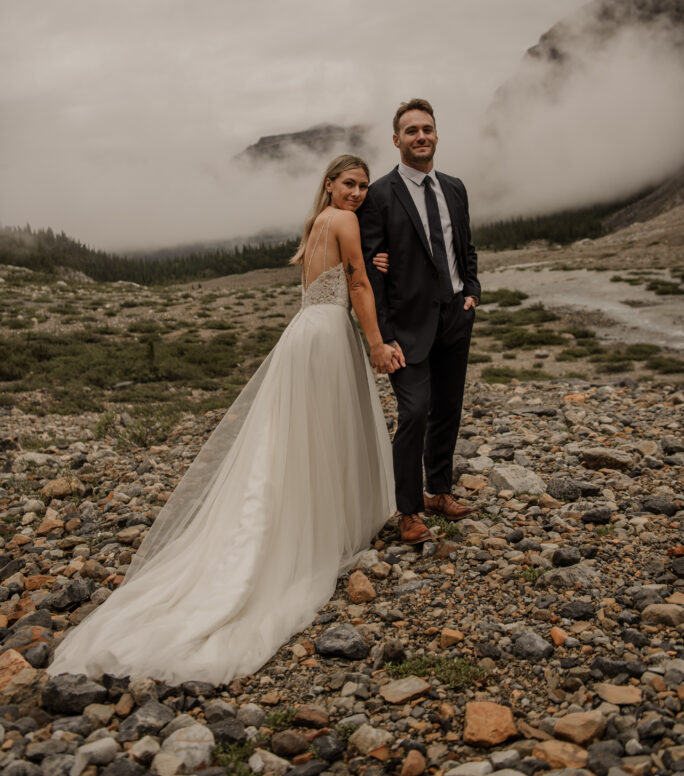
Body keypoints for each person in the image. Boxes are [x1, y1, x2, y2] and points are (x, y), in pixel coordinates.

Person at [49, 155, 401, 684]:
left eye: (363, 187)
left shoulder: (315, 224)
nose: (357, 193)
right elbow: (355, 287)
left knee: (299, 435)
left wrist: (368, 264)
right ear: (329, 185)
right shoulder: (344, 220)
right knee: (325, 430)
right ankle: (320, 531)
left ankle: (311, 520)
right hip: (329, 333)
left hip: (306, 330)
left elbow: (342, 274)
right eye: (349, 184)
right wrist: (375, 342)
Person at [358, 100, 481, 545]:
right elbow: (371, 270)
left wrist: (472, 292)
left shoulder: (455, 187)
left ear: (436, 134)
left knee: (448, 409)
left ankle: (439, 491)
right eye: (411, 131)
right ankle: (408, 511)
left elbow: (465, 246)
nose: (421, 136)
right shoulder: (380, 195)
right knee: (413, 414)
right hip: (406, 326)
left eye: (427, 129)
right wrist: (383, 335)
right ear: (396, 140)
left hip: (454, 315)